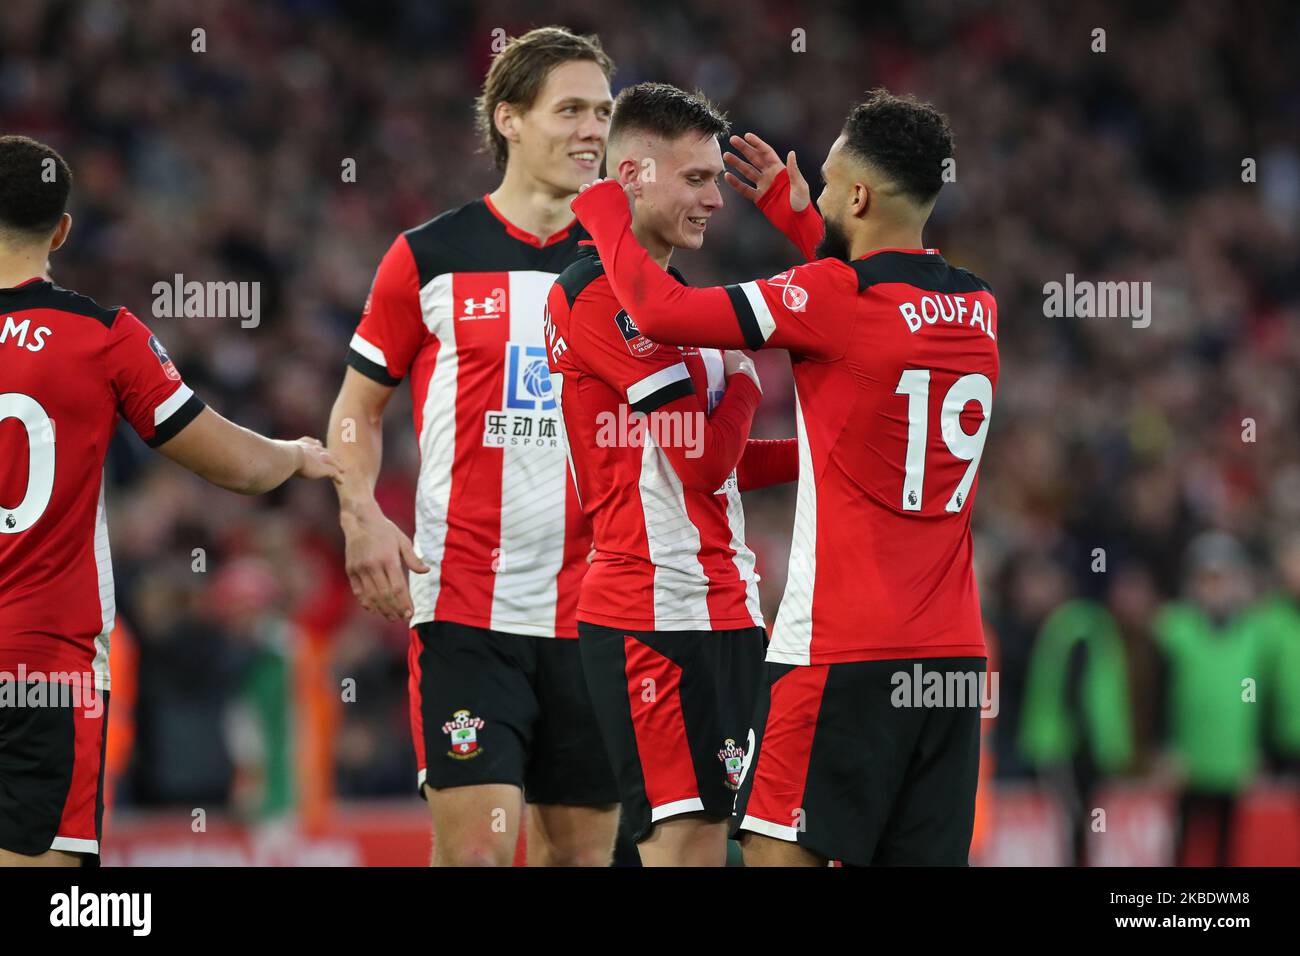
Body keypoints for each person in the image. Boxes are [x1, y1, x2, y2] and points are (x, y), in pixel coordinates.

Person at [571, 88, 998, 866]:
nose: (815, 195)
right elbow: (874, 290)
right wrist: (796, 214)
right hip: (954, 660)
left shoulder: (833, 298)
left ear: (860, 196)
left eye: (828, 186)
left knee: (772, 855)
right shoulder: (978, 306)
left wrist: (603, 210)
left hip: (842, 648)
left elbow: (660, 310)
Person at [0, 134, 340, 867]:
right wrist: (294, 456)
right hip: (41, 669)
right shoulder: (102, 337)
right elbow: (236, 466)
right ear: (61, 230)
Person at [325, 27, 620, 866]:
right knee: (479, 856)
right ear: (510, 120)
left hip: (596, 615)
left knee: (582, 860)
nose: (592, 130)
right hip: (465, 614)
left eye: (602, 112)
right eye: (570, 110)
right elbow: (357, 409)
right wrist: (360, 517)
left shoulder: (631, 266)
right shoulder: (429, 257)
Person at [544, 83, 797, 866]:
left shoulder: (675, 305)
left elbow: (719, 473)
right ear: (631, 178)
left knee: (719, 841)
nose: (716, 199)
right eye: (696, 179)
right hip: (650, 617)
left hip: (723, 607)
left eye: (716, 179)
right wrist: (751, 381)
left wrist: (821, 458)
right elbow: (700, 455)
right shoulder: (595, 298)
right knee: (682, 847)